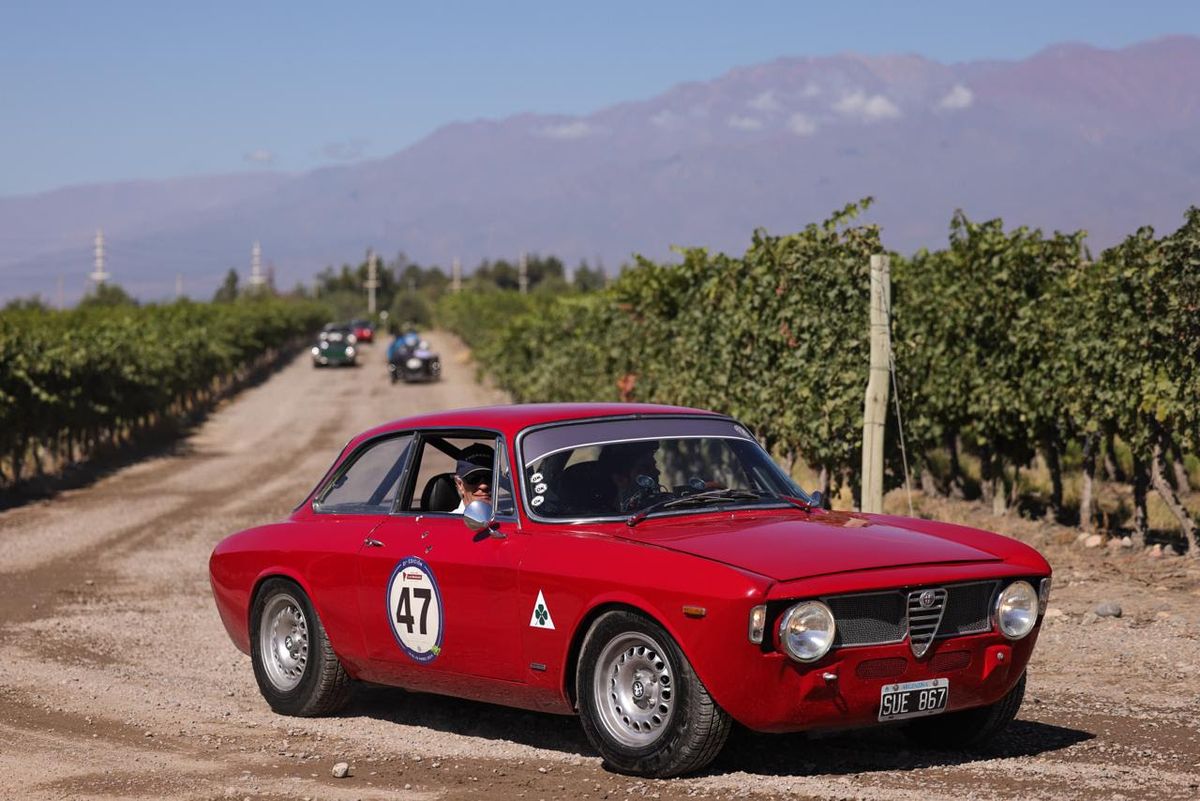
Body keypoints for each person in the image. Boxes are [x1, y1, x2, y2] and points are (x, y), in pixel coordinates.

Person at [597, 441, 660, 512]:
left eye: (654, 466)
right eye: (646, 468)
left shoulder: (665, 509)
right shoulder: (603, 515)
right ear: (620, 480)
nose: (658, 472)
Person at [452, 444, 494, 514]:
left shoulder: (511, 516)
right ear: (460, 484)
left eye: (490, 477)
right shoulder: (449, 520)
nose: (484, 486)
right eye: (474, 478)